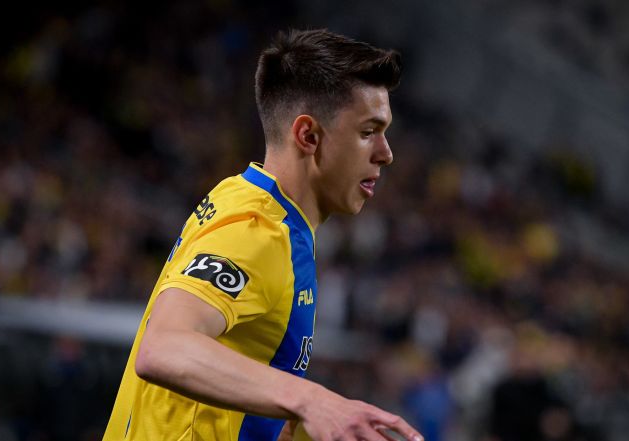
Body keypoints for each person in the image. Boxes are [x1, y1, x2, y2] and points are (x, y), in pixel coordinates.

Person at [103, 28, 423, 441]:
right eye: (368, 132)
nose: (386, 153)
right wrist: (311, 400)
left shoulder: (251, 202)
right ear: (308, 136)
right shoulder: (257, 230)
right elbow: (163, 347)